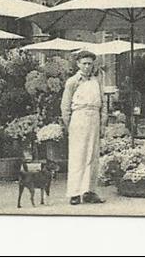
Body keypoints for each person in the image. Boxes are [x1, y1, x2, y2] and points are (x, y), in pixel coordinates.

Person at [61, 49, 106, 206]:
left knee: (93, 156)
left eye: (90, 64)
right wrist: (70, 125)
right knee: (78, 156)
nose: (87, 67)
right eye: (84, 63)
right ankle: (74, 193)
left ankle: (89, 191)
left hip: (94, 118)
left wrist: (103, 122)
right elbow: (65, 106)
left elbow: (103, 103)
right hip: (79, 118)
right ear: (78, 64)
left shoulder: (97, 81)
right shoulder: (72, 82)